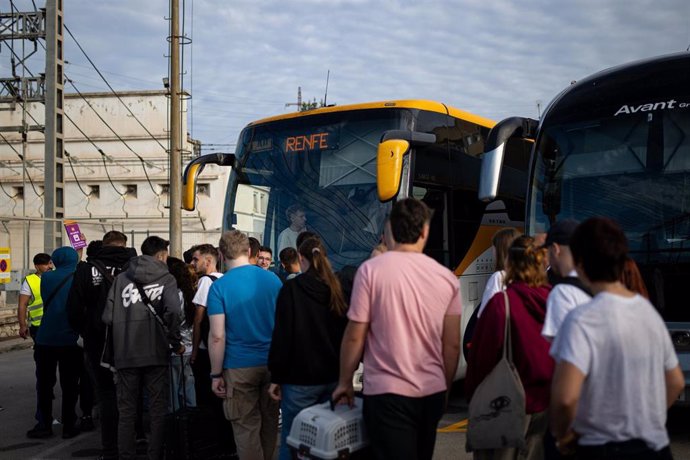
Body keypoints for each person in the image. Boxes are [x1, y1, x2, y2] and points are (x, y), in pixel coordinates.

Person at [332, 198, 461, 460]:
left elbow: (355, 335)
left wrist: (345, 381)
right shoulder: (447, 278)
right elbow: (452, 345)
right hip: (431, 391)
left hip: (386, 393)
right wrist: (445, 388)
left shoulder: (371, 271)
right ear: (424, 232)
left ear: (390, 229)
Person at [550, 217, 683, 459]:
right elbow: (675, 381)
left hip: (602, 449)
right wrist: (647, 420)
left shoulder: (581, 320)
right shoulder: (648, 313)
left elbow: (565, 398)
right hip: (656, 448)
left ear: (580, 264)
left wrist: (563, 435)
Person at [465, 235, 553, 459]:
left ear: (510, 264)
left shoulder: (501, 303)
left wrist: (474, 394)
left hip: (508, 402)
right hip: (546, 403)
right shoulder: (555, 300)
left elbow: (481, 359)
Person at [268, 237, 349, 460]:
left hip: (298, 379)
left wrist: (276, 376)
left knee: (292, 440)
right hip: (332, 376)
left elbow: (283, 335)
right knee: (327, 442)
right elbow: (347, 334)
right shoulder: (336, 288)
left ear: (300, 259)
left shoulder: (292, 289)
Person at [103, 235, 183, 460]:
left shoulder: (121, 279)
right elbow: (174, 311)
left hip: (125, 353)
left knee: (126, 411)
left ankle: (126, 455)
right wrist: (174, 339)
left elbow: (108, 317)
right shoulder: (167, 278)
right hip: (156, 352)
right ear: (161, 255)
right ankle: (154, 454)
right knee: (158, 409)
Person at [208, 230, 282, 460]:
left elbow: (217, 335)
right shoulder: (273, 280)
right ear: (249, 251)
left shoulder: (219, 288)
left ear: (221, 254)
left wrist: (215, 374)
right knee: (270, 424)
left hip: (238, 366)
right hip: (272, 364)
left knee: (245, 427)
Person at [66, 231, 136, 458]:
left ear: (105, 245)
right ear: (124, 245)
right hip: (131, 340)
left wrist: (85, 331)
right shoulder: (136, 267)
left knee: (106, 394)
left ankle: (110, 448)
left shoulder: (86, 270)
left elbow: (74, 308)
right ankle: (134, 442)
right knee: (131, 392)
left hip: (97, 341)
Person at [29, 247, 82, 439]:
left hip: (45, 338)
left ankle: (44, 424)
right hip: (69, 339)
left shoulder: (46, 278)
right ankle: (69, 425)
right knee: (70, 385)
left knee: (44, 384)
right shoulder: (78, 278)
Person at [541, 219, 592, 342]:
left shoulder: (562, 293)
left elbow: (564, 350)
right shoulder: (600, 283)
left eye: (547, 252)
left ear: (555, 249)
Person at [189, 244, 223, 405]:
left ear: (208, 261)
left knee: (205, 396)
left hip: (205, 348)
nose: (192, 263)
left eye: (196, 259)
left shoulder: (205, 281)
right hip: (222, 349)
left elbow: (198, 319)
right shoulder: (224, 279)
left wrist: (194, 351)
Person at [167, 257, 197, 410]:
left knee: (172, 389)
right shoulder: (190, 293)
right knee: (188, 386)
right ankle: (191, 418)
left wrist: (175, 342)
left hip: (177, 349)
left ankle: (176, 424)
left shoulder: (175, 295)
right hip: (190, 346)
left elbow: (174, 320)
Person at [477, 228, 521, 318]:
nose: (492, 252)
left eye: (493, 248)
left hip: (504, 331)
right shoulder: (527, 275)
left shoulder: (498, 277)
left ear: (500, 251)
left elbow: (484, 315)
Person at [18, 253, 53, 340]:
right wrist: (22, 325)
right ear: (37, 266)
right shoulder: (30, 281)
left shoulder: (56, 276)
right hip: (39, 326)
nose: (50, 266)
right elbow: (22, 304)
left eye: (50, 263)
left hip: (56, 323)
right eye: (46, 264)